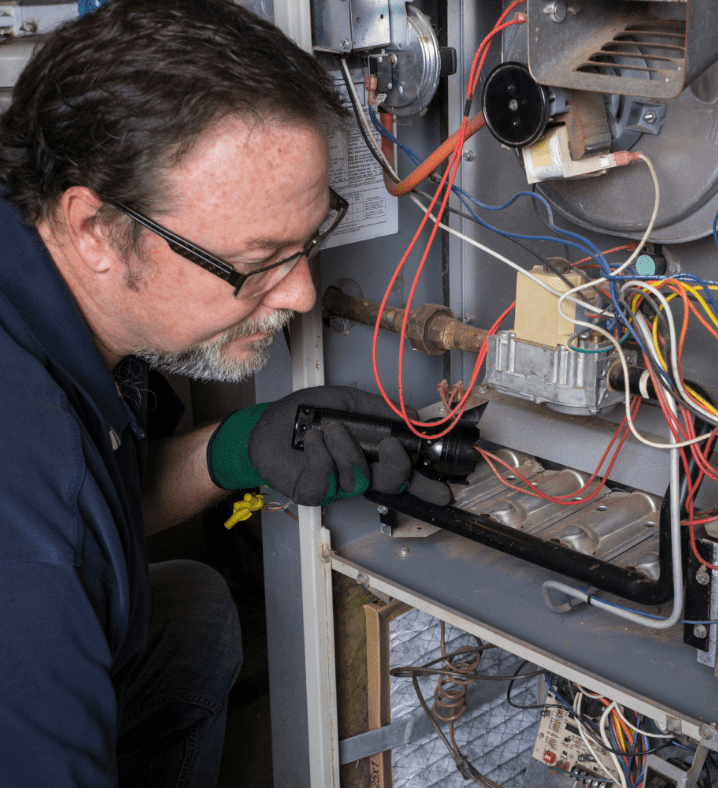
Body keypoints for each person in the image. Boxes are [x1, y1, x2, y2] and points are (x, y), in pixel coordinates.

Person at [0, 0, 448, 785]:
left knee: (196, 616)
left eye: (309, 242)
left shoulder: (40, 264)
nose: (304, 295)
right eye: (261, 258)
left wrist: (237, 447)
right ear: (95, 229)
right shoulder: (28, 522)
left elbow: (105, 503)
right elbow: (63, 525)